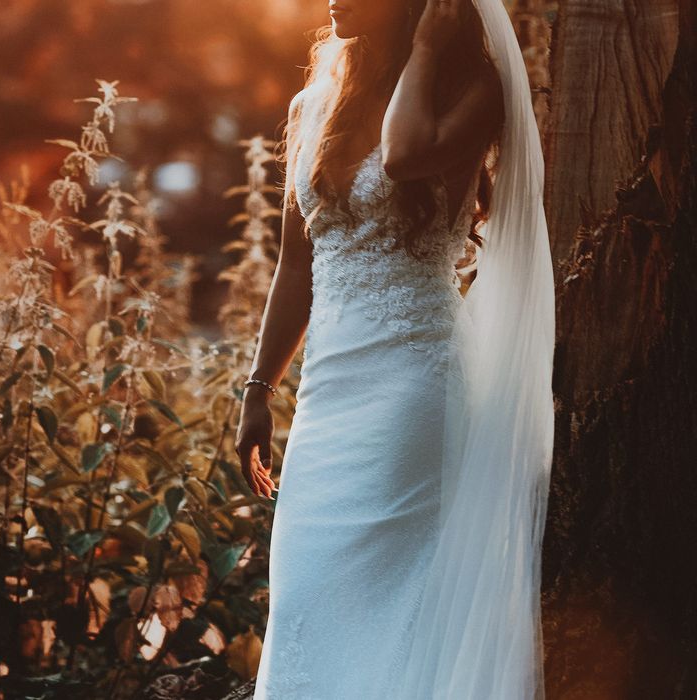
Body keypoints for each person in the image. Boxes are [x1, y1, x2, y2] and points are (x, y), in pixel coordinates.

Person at [235, 0, 556, 696]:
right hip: (325, 403)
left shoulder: (473, 92)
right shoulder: (311, 105)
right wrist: (258, 391)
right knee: (306, 598)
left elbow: (406, 154)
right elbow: (297, 264)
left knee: (400, 606)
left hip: (413, 387)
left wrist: (425, 52)